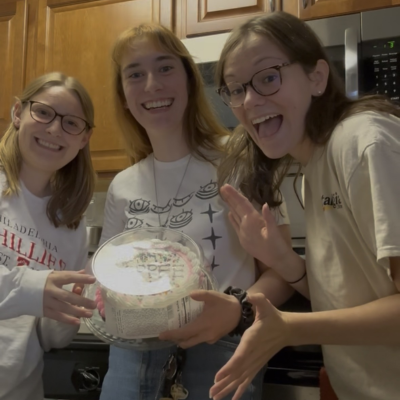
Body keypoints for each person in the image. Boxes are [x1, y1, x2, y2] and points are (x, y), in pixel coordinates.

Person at [207, 11, 400, 400]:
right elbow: (349, 297)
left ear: (317, 77)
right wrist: (282, 259)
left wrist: (291, 328)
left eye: (268, 77)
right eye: (235, 89)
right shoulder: (315, 162)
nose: (249, 101)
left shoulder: (363, 143)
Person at [98, 23, 296, 400]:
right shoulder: (122, 186)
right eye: (135, 74)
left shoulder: (237, 160)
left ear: (189, 79)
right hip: (131, 359)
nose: (152, 84)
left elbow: (284, 274)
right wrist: (99, 295)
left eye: (165, 67)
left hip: (222, 352)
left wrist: (236, 311)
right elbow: (107, 282)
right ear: (123, 95)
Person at [0, 72, 98, 400]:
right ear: (18, 113)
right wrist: (32, 287)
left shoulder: (71, 226)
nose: (55, 129)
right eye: (43, 112)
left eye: (72, 123)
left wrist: (74, 310)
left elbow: (48, 338)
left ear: (83, 139)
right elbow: (30, 292)